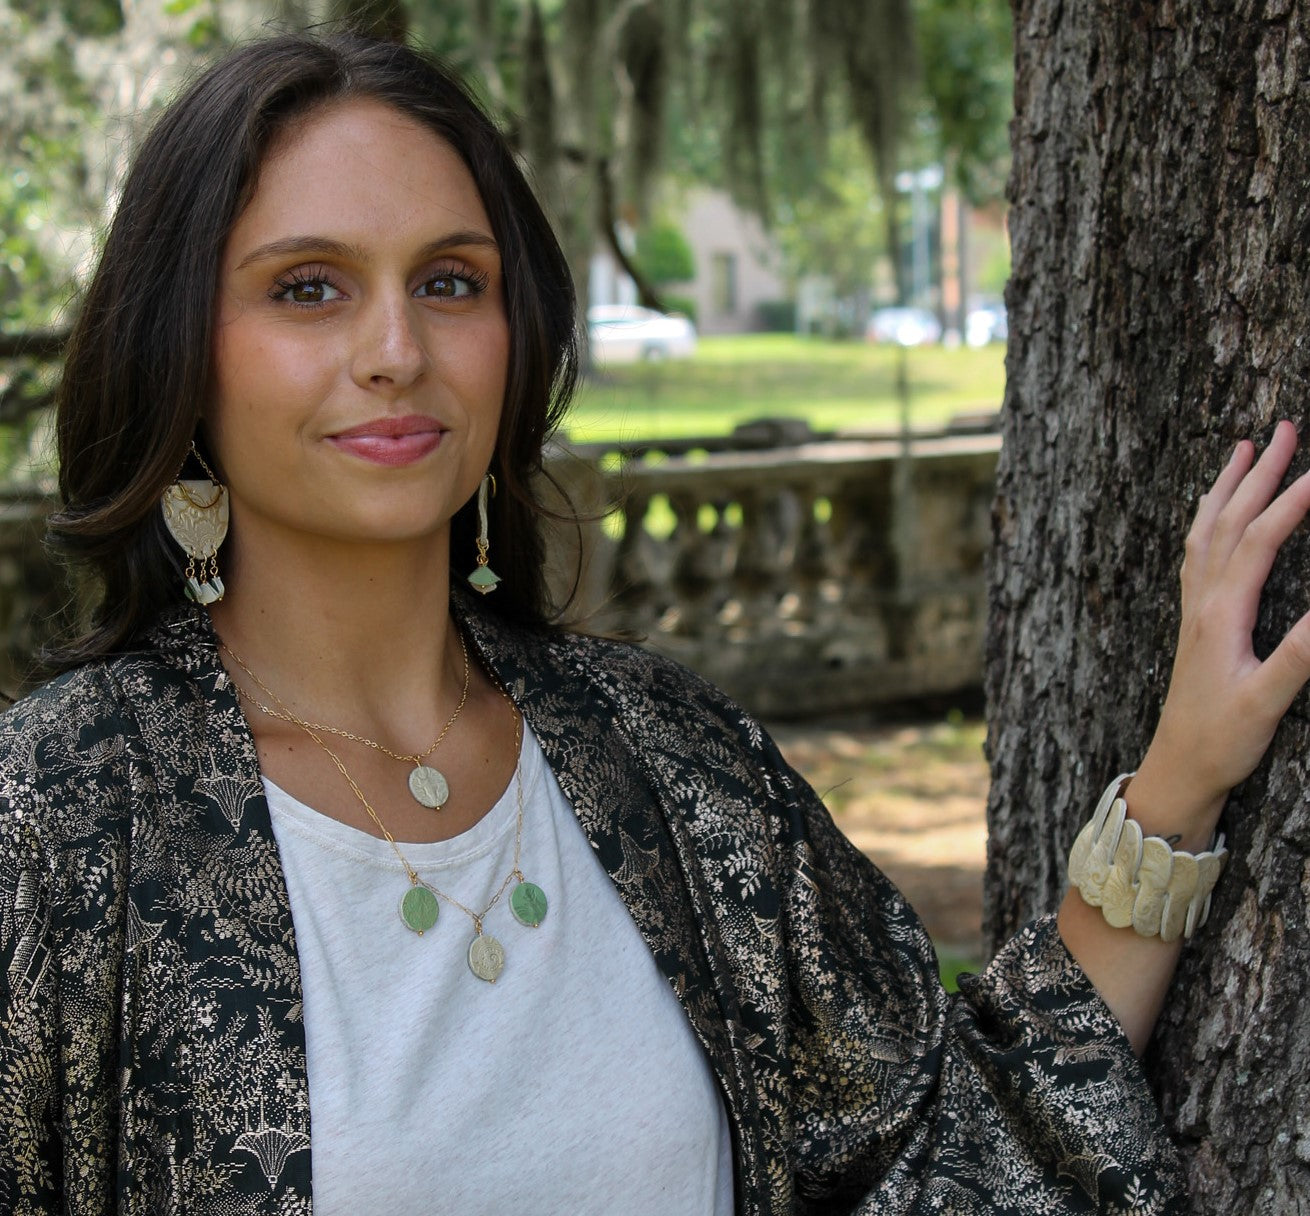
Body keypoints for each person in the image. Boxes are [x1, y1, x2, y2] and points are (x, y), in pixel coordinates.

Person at [2, 30, 1309, 1216]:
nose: (396, 347)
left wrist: (1184, 773)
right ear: (181, 346)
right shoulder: (65, 815)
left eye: (451, 282)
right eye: (307, 288)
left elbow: (956, 1142)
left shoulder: (668, 763)